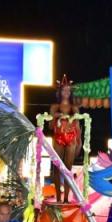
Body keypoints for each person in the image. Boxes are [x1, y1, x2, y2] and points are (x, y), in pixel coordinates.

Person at [50, 75, 81, 203]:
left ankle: (66, 199)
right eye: (64, 90)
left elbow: (78, 127)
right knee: (57, 168)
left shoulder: (74, 108)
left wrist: (79, 143)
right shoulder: (54, 107)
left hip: (71, 139)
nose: (66, 93)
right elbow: (50, 125)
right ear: (59, 92)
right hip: (58, 138)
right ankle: (58, 197)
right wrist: (56, 117)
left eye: (68, 90)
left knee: (68, 169)